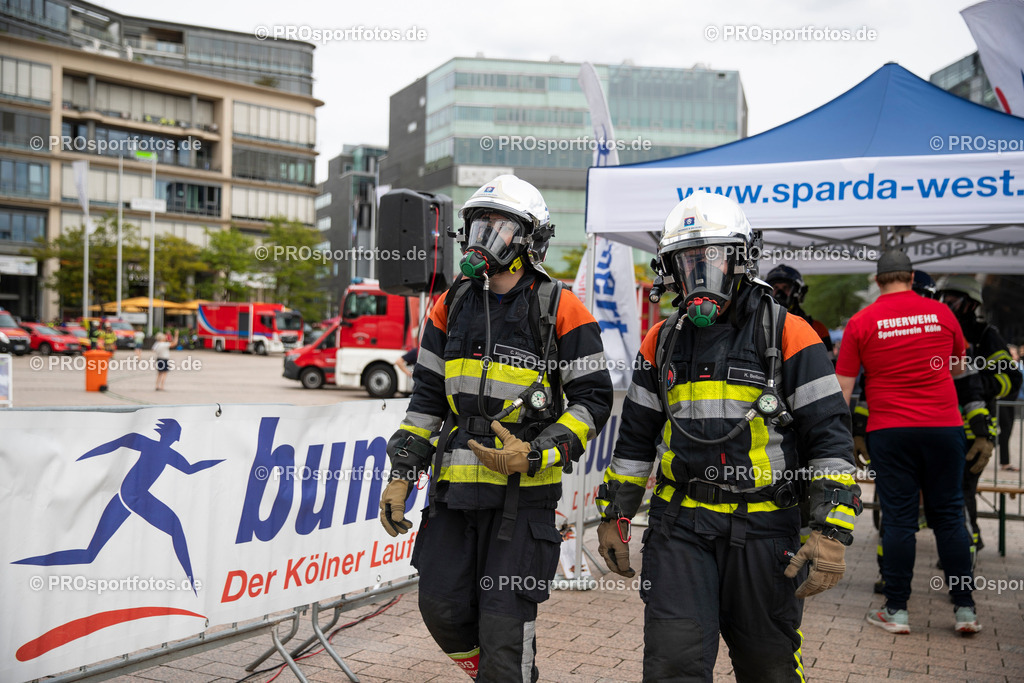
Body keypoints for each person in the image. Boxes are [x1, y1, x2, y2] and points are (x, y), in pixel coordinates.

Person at [595, 191, 861, 681]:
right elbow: (635, 438)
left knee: (769, 667)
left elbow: (829, 437)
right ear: (669, 270)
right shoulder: (662, 340)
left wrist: (831, 528)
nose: (699, 274)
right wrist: (614, 514)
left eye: (710, 259)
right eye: (687, 262)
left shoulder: (791, 334)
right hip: (680, 528)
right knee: (674, 662)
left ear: (740, 258)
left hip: (764, 530)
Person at [379, 175, 613, 681]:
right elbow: (425, 398)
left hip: (520, 504)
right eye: (478, 223)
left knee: (505, 634)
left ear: (530, 240)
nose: (486, 234)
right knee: (441, 609)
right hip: (453, 498)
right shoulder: (452, 303)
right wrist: (402, 472)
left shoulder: (561, 308)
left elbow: (594, 400)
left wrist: (537, 452)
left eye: (499, 225)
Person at [836, 249, 980, 635]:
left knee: (899, 518)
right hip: (944, 426)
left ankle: (896, 610)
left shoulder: (862, 321)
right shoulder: (942, 313)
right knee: (950, 514)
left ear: (879, 280)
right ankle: (965, 609)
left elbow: (843, 390)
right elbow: (959, 366)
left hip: (890, 430)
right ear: (912, 276)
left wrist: (838, 438)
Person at [936, 275, 1022, 541]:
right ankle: (964, 537)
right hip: (942, 427)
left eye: (952, 300)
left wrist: (976, 382)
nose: (945, 305)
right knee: (948, 488)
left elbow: (1011, 379)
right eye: (942, 299)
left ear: (971, 305)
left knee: (962, 488)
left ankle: (967, 540)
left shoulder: (986, 336)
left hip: (977, 431)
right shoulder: (938, 332)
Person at [766, 264, 834, 356]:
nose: (779, 293)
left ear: (797, 292)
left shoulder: (817, 329)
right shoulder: (759, 325)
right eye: (776, 288)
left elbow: (828, 366)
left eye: (785, 287)